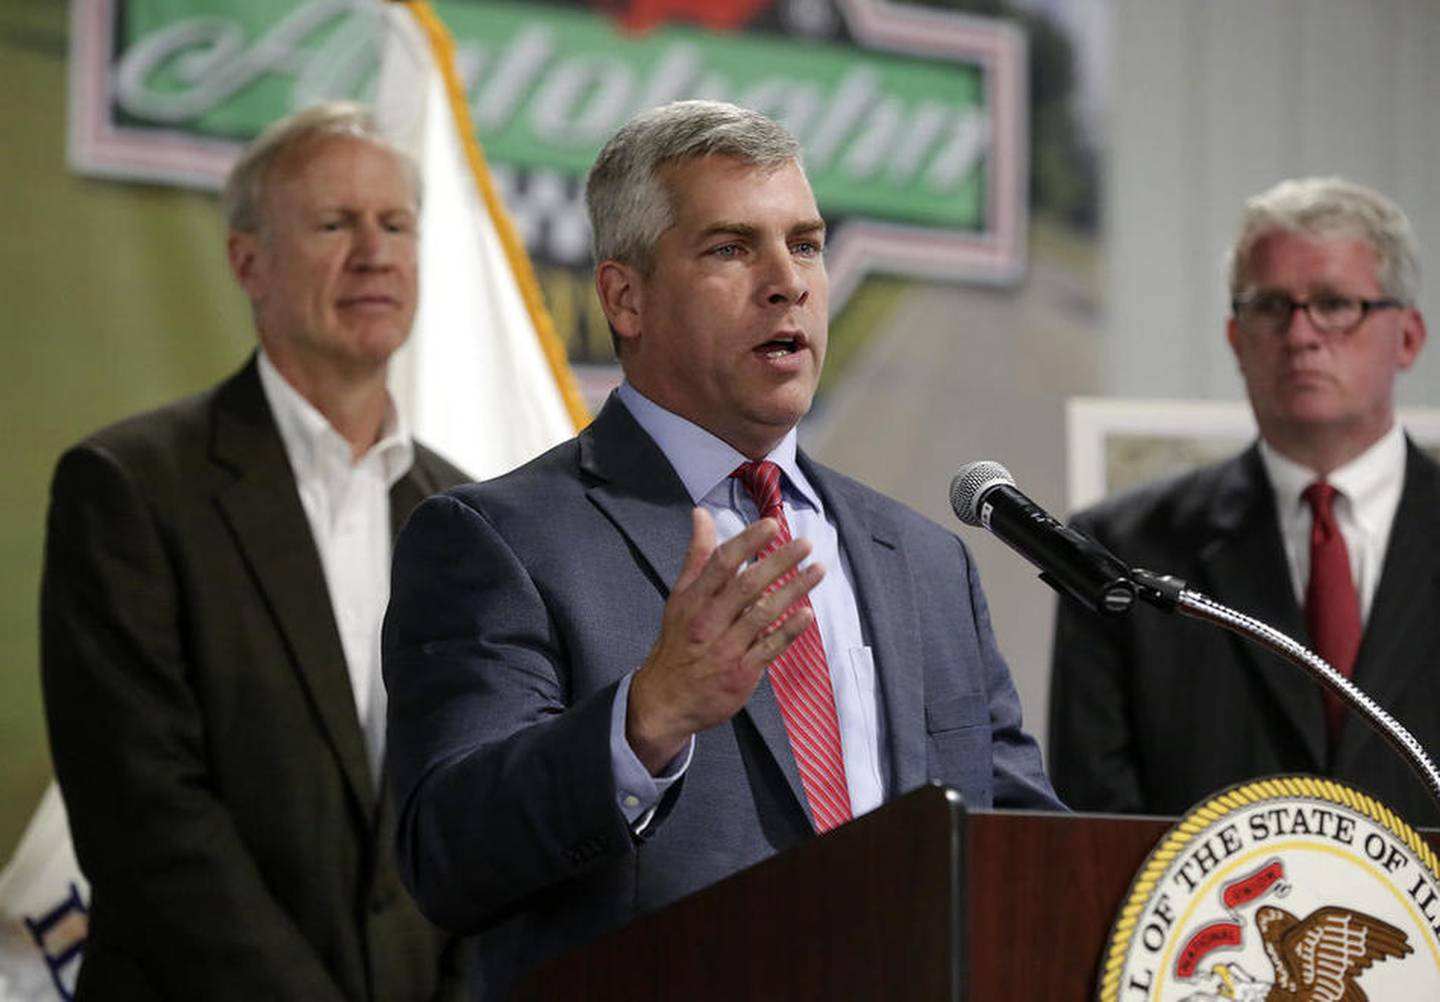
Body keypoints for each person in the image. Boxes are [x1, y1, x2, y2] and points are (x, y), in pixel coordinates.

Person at [383, 99, 1061, 998]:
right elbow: (448, 854)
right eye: (731, 248)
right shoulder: (499, 542)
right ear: (625, 298)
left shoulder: (926, 563)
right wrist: (646, 718)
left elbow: (1026, 852)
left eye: (807, 244)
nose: (788, 283)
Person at [40, 103, 470, 999]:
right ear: (247, 261)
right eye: (332, 223)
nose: (375, 251)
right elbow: (148, 824)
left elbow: (478, 809)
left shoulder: (465, 514)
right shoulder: (127, 487)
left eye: (395, 223)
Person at [1048, 177, 1437, 824]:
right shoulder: (1120, 552)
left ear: (1408, 338)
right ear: (1235, 339)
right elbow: (1093, 830)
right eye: (1271, 306)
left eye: (1336, 304)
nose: (1301, 335)